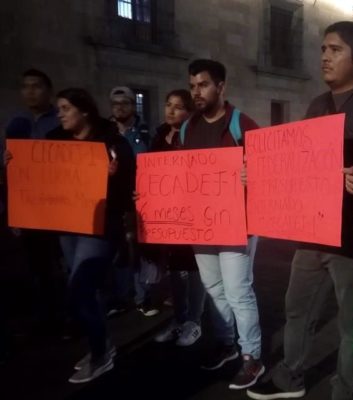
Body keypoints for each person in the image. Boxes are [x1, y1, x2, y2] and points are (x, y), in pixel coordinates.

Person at [247, 21, 353, 400]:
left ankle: (347, 391)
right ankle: (291, 376)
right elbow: (297, 162)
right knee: (296, 308)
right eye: (322, 48)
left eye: (334, 50)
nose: (324, 56)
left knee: (350, 324)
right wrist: (258, 172)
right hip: (312, 231)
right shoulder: (316, 105)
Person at [4, 88, 135, 383]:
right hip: (68, 226)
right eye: (60, 108)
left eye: (65, 108)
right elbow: (37, 176)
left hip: (98, 229)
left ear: (84, 111)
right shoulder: (54, 141)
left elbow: (129, 188)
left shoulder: (112, 143)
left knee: (79, 290)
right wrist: (13, 162)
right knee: (89, 291)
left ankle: (101, 356)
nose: (60, 113)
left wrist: (114, 175)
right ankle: (101, 344)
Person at [183, 59, 264, 390]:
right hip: (201, 226)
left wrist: (254, 174)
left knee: (238, 292)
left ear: (221, 87)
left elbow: (270, 170)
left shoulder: (241, 124)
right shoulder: (188, 128)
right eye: (192, 86)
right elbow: (179, 175)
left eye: (202, 85)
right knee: (215, 291)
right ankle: (226, 343)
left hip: (237, 224)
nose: (196, 92)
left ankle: (252, 357)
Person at [138, 89, 207, 347]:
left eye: (178, 107)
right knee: (176, 268)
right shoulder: (158, 136)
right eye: (168, 105)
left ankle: (195, 322)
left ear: (189, 112)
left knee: (195, 267)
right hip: (167, 215)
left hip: (193, 212)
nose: (170, 110)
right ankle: (179, 318)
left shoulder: (196, 137)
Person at [3, 69, 64, 336]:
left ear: (48, 90)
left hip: (58, 207)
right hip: (28, 208)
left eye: (36, 86)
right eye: (25, 86)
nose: (30, 92)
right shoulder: (17, 124)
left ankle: (63, 317)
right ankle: (45, 318)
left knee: (57, 265)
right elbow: (12, 172)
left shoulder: (59, 122)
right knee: (36, 267)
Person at [107, 86, 157, 317]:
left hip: (138, 200)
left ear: (132, 105)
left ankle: (141, 296)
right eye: (115, 104)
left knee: (137, 250)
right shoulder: (105, 132)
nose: (120, 108)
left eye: (124, 103)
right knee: (118, 250)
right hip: (113, 201)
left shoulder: (146, 132)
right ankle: (119, 296)